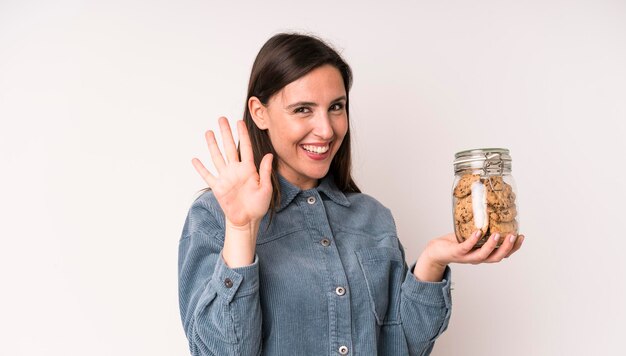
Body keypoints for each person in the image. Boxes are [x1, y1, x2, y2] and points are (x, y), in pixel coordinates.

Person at [178, 33, 524, 356]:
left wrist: (432, 262)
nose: (327, 129)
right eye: (303, 109)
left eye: (336, 107)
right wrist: (241, 231)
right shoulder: (213, 216)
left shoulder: (373, 218)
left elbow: (400, 346)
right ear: (260, 112)